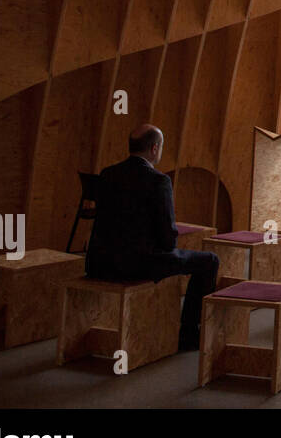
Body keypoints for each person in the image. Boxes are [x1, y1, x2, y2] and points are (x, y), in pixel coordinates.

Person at [86, 124, 219, 351]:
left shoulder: (108, 174)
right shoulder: (158, 181)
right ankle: (188, 335)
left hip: (100, 262)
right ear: (155, 148)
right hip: (138, 264)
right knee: (209, 261)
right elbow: (168, 238)